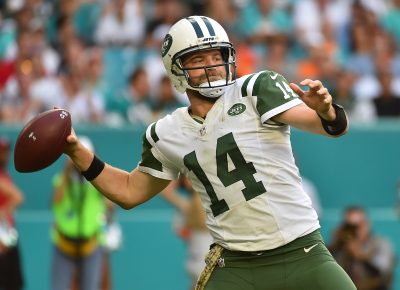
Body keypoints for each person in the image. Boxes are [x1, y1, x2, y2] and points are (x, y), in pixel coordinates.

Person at [63, 16, 356, 290]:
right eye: (199, 59)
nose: (212, 65)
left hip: (301, 251)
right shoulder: (166, 132)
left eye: (217, 56)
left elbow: (330, 126)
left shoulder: (255, 89)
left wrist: (326, 110)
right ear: (176, 69)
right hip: (237, 265)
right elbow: (128, 191)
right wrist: (78, 153)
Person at [51, 136, 111, 290]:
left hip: (91, 244)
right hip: (64, 244)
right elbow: (56, 200)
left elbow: (111, 203)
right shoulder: (62, 180)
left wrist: (94, 169)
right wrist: (67, 170)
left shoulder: (95, 184)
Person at [161, 176, 213, 290]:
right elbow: (164, 189)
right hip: (197, 252)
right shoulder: (189, 203)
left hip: (211, 251)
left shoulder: (209, 194)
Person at [329, 206, 395, 290]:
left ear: (367, 224)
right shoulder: (340, 246)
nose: (354, 231)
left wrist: (360, 255)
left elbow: (381, 272)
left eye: (358, 226)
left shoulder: (381, 244)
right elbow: (330, 273)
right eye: (350, 227)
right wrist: (336, 243)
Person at [0, 137, 24, 290]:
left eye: (6, 151)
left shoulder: (4, 174)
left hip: (8, 237)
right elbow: (17, 197)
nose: (4, 155)